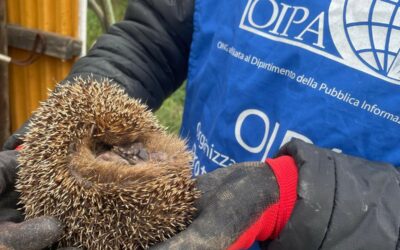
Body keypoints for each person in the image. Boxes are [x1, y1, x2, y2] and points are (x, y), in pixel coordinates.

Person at [1, 0, 399, 249]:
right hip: (185, 217)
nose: (128, 155)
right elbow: (151, 36)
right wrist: (49, 148)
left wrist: (308, 199)